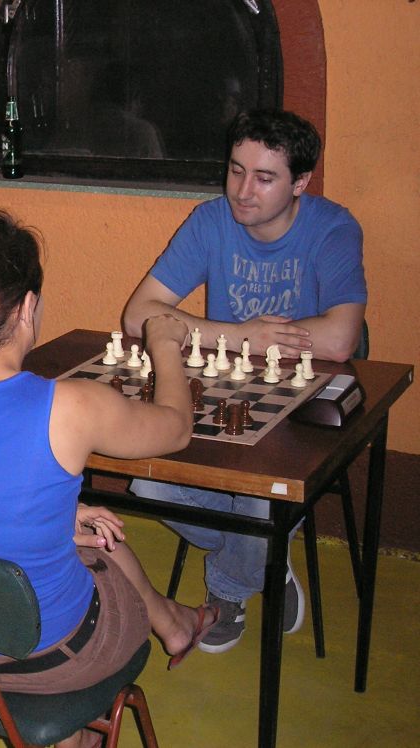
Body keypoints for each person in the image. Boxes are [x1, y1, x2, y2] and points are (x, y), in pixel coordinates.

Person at [0, 210, 217, 748]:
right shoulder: (67, 406)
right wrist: (165, 344)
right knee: (108, 552)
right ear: (27, 306)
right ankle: (95, 711)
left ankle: (172, 627)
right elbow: (176, 429)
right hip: (49, 657)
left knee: (89, 536)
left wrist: (60, 512)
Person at [122, 109, 367, 653]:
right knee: (146, 480)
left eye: (264, 177)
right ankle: (265, 557)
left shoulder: (332, 228)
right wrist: (239, 336)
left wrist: (215, 334)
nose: (242, 190)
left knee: (260, 493)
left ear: (300, 182)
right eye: (236, 170)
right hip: (223, 397)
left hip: (300, 410)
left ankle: (230, 588)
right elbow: (139, 315)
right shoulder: (211, 221)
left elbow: (340, 339)